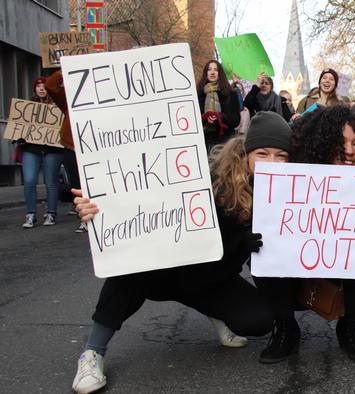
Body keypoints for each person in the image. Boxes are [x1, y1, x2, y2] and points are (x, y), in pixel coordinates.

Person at [69, 112, 293, 394]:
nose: (271, 163)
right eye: (263, 153)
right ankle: (92, 352)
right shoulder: (208, 180)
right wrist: (94, 209)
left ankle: (213, 310)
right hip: (166, 269)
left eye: (281, 155)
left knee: (260, 319)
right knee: (128, 266)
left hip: (213, 279)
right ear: (246, 153)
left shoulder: (288, 194)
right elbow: (135, 201)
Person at [252, 105, 355, 364]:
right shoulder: (292, 177)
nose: (349, 151)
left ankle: (349, 327)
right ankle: (285, 328)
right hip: (299, 273)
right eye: (339, 143)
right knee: (262, 251)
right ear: (322, 143)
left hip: (346, 272)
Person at [18, 76, 64, 228]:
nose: (42, 88)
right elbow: (20, 124)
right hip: (31, 149)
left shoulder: (58, 106)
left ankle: (51, 213)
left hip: (52, 149)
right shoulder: (27, 107)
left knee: (51, 182)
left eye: (44, 86)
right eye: (38, 86)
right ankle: (30, 214)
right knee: (29, 181)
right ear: (35, 89)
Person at [46, 70, 86, 232]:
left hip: (97, 146)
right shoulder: (68, 100)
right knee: (77, 184)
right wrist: (66, 67)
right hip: (73, 146)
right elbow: (50, 85)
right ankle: (85, 219)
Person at [196, 60, 241, 150]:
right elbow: (193, 119)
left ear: (220, 73)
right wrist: (205, 118)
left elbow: (236, 120)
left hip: (224, 143)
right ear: (206, 73)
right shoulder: (198, 93)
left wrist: (219, 117)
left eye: (216, 70)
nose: (212, 72)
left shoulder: (230, 93)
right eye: (209, 69)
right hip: (204, 142)